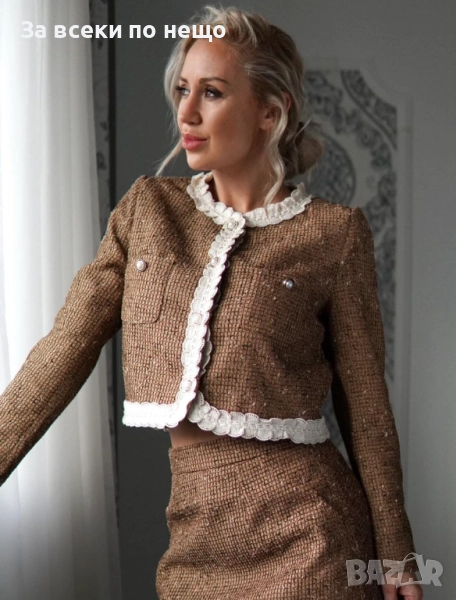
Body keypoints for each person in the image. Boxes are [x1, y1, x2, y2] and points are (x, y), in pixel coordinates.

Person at [0, 5, 423, 599]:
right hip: (193, 540)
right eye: (183, 89)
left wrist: (396, 555)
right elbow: (62, 351)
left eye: (213, 92)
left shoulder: (333, 233)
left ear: (270, 112)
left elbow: (367, 408)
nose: (187, 112)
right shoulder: (147, 210)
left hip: (312, 537)